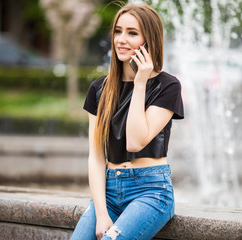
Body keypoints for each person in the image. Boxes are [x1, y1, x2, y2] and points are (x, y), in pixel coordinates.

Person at [70, 3, 184, 240]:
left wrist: (140, 82)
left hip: (150, 191)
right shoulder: (99, 89)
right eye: (118, 31)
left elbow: (134, 142)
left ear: (149, 40)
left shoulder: (167, 86)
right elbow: (96, 155)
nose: (121, 39)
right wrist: (101, 213)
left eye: (132, 33)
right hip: (109, 192)